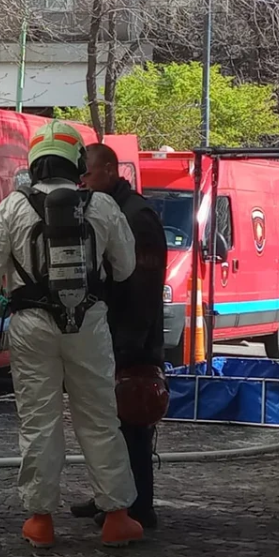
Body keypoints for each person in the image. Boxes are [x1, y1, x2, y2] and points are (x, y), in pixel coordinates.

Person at [0, 120, 144, 549]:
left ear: (34, 163)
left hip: (31, 326)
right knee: (100, 418)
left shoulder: (12, 207)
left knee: (38, 422)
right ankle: (117, 517)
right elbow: (126, 267)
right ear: (77, 162)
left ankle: (40, 521)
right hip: (89, 323)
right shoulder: (101, 205)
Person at [70, 143, 168, 530]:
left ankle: (139, 505)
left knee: (133, 421)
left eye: (88, 173)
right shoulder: (108, 208)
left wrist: (130, 342)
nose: (82, 181)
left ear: (110, 170)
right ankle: (110, 496)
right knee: (108, 421)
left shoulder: (136, 215)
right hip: (113, 331)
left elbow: (144, 286)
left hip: (131, 338)